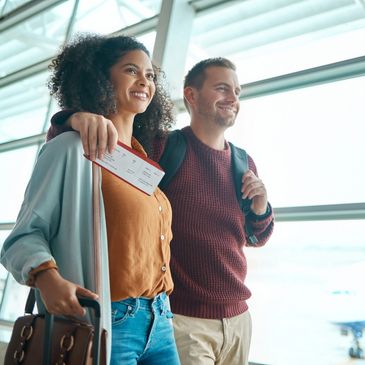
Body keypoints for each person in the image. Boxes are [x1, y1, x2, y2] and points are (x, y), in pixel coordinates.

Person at [48, 57, 274, 365]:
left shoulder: (244, 163)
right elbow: (103, 141)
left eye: (237, 91)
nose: (233, 98)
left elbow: (254, 237)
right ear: (191, 95)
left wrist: (261, 209)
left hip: (237, 320)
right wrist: (72, 119)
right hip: (181, 320)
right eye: (222, 88)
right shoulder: (164, 148)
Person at [1, 34, 181, 365]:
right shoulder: (71, 148)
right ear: (99, 77)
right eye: (131, 70)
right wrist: (47, 278)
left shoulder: (142, 162)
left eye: (150, 75)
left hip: (160, 320)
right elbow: (22, 238)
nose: (144, 81)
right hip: (107, 320)